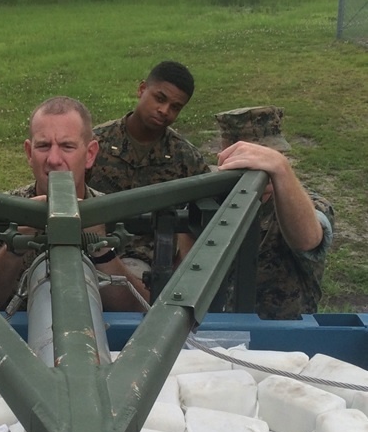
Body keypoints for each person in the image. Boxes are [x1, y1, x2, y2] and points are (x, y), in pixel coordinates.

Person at [0, 96, 150, 312]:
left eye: (67, 146)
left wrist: (102, 248)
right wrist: (14, 247)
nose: (54, 159)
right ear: (29, 153)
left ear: (90, 154)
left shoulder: (122, 216)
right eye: (43, 146)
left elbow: (138, 306)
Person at [215, 105, 335, 320]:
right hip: (218, 333)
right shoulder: (212, 202)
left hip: (284, 338)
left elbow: (308, 240)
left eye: (268, 158)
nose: (262, 171)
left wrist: (281, 169)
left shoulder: (305, 203)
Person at [89, 60, 210, 268]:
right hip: (94, 256)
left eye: (175, 107)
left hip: (152, 268)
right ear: (142, 89)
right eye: (159, 98)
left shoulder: (185, 157)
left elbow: (209, 214)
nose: (164, 111)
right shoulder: (95, 144)